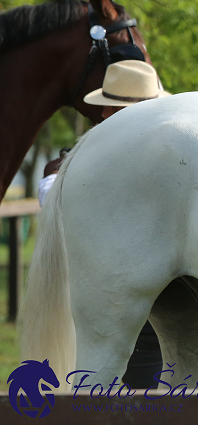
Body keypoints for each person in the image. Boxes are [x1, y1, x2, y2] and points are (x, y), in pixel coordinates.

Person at [38, 59, 169, 388]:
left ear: (107, 112)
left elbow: (55, 204)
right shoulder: (169, 160)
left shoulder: (75, 165)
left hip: (115, 302)